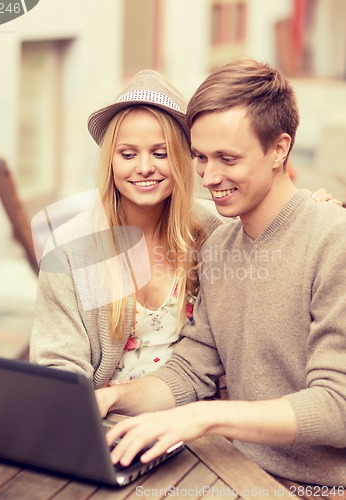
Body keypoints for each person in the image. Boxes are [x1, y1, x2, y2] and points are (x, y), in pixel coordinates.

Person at [98, 59, 346, 490]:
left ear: (280, 149)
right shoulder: (218, 247)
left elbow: (337, 407)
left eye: (227, 159)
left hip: (316, 487)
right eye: (199, 157)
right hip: (230, 471)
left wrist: (202, 417)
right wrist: (116, 397)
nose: (209, 178)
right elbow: (194, 369)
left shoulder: (332, 242)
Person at [29, 70, 222, 386]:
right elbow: (57, 364)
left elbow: (268, 222)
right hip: (104, 418)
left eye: (160, 153)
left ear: (182, 157)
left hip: (189, 415)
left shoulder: (211, 232)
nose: (144, 167)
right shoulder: (70, 248)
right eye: (128, 154)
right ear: (110, 162)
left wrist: (315, 207)